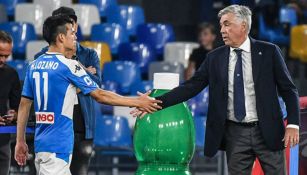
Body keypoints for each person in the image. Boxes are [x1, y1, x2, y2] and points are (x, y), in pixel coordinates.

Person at [132, 5, 300, 174]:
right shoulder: (214, 57)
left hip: (268, 131)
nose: (222, 30)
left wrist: (293, 124)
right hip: (236, 133)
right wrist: (155, 103)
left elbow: (288, 90)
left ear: (243, 26)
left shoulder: (269, 51)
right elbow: (191, 87)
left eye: (227, 24)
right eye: (221, 25)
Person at [14, 15, 161, 175]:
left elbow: (24, 105)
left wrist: (20, 141)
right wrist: (138, 102)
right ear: (61, 37)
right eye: (72, 33)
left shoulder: (33, 66)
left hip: (42, 143)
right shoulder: (68, 65)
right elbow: (100, 95)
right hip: (58, 146)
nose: (75, 37)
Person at [34, 6, 102, 174]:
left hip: (81, 125)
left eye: (71, 24)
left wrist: (71, 80)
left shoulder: (89, 54)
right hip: (53, 129)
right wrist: (84, 73)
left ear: (75, 26)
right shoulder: (40, 58)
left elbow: (96, 85)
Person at [0, 31, 21, 175]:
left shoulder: (11, 74)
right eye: (0, 55)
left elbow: (18, 108)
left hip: (2, 140)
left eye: (6, 56)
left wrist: (14, 115)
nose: (3, 60)